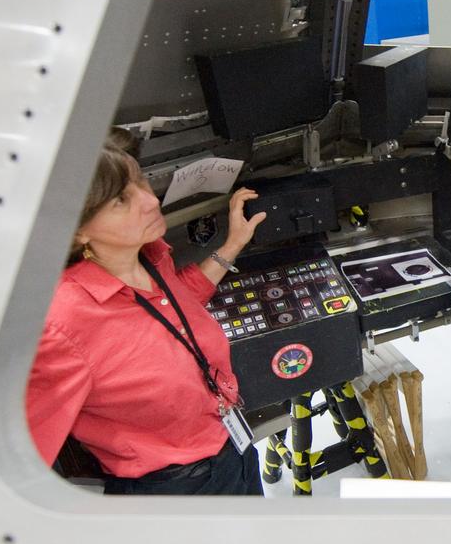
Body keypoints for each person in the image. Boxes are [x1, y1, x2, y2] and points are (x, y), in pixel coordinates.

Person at [26, 142, 269, 495]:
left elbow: (174, 306)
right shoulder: (60, 324)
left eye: (140, 182)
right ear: (75, 230)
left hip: (230, 448)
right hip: (175, 491)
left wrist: (232, 245)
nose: (151, 200)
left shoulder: (150, 256)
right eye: (120, 200)